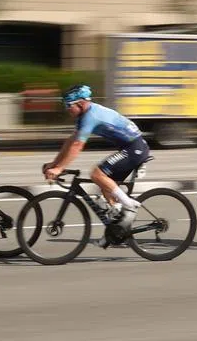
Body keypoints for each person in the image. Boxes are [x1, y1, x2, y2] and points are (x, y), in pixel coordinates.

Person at [42, 84, 148, 232]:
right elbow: (71, 141)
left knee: (96, 174)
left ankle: (130, 205)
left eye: (68, 105)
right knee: (106, 187)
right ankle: (116, 233)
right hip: (130, 148)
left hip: (134, 149)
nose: (67, 109)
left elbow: (77, 146)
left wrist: (59, 168)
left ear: (80, 103)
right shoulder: (84, 115)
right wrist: (55, 164)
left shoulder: (91, 116)